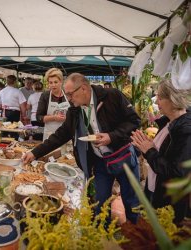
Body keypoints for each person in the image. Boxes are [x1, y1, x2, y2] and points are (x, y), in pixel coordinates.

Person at [23, 73, 141, 223]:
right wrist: (35, 153)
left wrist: (112, 136)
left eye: (71, 94)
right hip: (100, 162)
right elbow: (61, 135)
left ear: (84, 88)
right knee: (100, 204)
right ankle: (101, 238)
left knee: (132, 203)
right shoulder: (75, 110)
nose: (69, 98)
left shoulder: (112, 96)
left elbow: (134, 121)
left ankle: (136, 233)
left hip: (123, 157)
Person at [131, 79, 191, 223]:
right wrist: (147, 146)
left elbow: (176, 172)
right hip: (155, 189)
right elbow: (164, 153)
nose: (157, 102)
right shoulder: (169, 123)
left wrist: (150, 151)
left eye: (160, 97)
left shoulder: (185, 131)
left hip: (170, 202)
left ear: (173, 99)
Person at [36, 68, 70, 141]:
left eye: (55, 82)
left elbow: (75, 114)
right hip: (50, 134)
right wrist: (54, 118)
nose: (53, 85)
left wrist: (68, 117)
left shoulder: (68, 94)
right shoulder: (45, 96)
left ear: (61, 82)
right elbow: (39, 117)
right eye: (50, 82)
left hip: (67, 134)